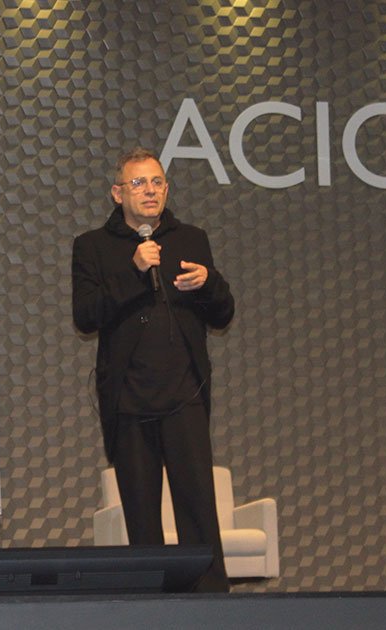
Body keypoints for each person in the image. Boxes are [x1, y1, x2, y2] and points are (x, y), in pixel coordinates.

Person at [71, 147, 235, 592]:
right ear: (117, 192)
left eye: (157, 182)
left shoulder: (191, 238)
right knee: (142, 516)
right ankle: (152, 607)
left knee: (199, 508)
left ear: (167, 189)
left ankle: (214, 608)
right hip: (128, 399)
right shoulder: (93, 246)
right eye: (139, 183)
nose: (150, 191)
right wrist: (134, 270)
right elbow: (86, 315)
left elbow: (222, 315)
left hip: (184, 394)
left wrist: (210, 284)